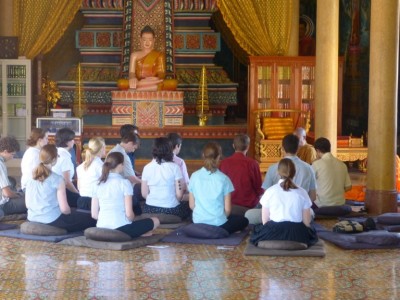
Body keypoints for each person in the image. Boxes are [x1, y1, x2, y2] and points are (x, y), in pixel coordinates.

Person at [245, 134, 316, 224]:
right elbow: (313, 197)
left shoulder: (272, 168)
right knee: (311, 213)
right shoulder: (309, 168)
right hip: (299, 215)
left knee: (249, 214)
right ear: (298, 148)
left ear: (282, 149)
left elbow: (265, 195)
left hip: (275, 214)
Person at [25, 144, 96, 232]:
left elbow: (27, 204)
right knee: (91, 218)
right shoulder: (58, 179)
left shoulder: (30, 178)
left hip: (32, 217)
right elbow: (65, 210)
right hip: (52, 219)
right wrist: (72, 213)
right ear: (54, 159)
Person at [250, 158, 318, 246]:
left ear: (278, 173)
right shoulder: (302, 192)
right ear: (294, 173)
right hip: (296, 233)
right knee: (312, 232)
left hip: (273, 231)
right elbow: (306, 222)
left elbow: (265, 221)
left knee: (256, 230)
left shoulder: (270, 191)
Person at [91, 152, 159, 238]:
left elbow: (94, 215)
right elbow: (129, 215)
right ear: (120, 165)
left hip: (101, 227)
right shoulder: (124, 183)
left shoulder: (97, 184)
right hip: (121, 229)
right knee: (155, 221)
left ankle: (139, 233)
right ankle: (139, 233)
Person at [188, 142, 249, 234]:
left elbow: (192, 205)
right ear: (219, 157)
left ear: (203, 155)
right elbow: (227, 210)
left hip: (198, 222)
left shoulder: (194, 176)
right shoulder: (224, 179)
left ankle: (203, 229)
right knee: (244, 221)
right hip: (218, 224)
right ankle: (218, 231)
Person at [141, 137, 191, 219]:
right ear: (169, 150)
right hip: (171, 210)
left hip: (150, 209)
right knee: (188, 206)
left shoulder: (147, 167)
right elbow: (179, 195)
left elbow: (144, 194)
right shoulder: (175, 167)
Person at [219, 134, 264, 214]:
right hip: (248, 207)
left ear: (233, 146)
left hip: (228, 205)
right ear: (248, 147)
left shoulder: (224, 163)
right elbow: (259, 188)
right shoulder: (253, 163)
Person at [108, 132, 143, 214]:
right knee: (138, 212)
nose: (133, 150)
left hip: (112, 189)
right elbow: (132, 178)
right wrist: (144, 182)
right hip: (123, 193)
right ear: (130, 143)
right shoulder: (123, 155)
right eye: (134, 148)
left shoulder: (111, 151)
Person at [312, 137, 352, 207]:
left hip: (322, 205)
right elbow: (348, 187)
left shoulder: (316, 164)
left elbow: (310, 185)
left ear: (317, 150)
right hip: (340, 204)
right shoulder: (342, 164)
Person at [129, 25, 166, 91]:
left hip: (154, 81)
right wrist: (133, 78)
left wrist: (156, 78)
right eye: (144, 40)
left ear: (154, 40)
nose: (147, 42)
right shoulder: (134, 55)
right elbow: (131, 72)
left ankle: (138, 89)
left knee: (172, 83)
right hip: (139, 82)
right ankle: (147, 87)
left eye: (150, 40)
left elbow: (162, 72)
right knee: (122, 83)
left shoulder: (159, 55)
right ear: (140, 40)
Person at [52, 128, 80, 207]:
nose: (73, 142)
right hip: (62, 192)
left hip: (54, 191)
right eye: (72, 140)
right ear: (66, 142)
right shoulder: (65, 157)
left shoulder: (55, 151)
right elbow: (67, 182)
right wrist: (78, 194)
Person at [76, 137, 106, 211]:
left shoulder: (80, 167)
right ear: (102, 148)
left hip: (81, 200)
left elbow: (79, 187)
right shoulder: (100, 166)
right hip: (94, 202)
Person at [0, 136, 27, 218]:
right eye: (12, 154)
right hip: (3, 205)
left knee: (12, 181)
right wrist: (17, 195)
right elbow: (7, 193)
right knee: (32, 201)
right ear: (5, 151)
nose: (12, 157)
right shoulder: (0, 165)